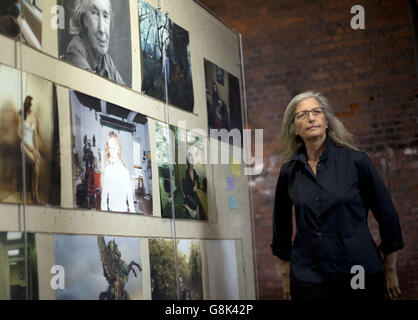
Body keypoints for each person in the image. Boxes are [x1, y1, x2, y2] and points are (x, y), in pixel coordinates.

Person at [271, 91, 404, 300]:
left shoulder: (356, 162)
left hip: (356, 270)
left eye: (316, 111)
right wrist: (286, 276)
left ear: (326, 121)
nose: (311, 117)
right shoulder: (290, 172)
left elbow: (387, 215)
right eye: (302, 114)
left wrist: (390, 268)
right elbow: (281, 227)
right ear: (294, 128)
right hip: (309, 276)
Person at [64, 0, 125, 84]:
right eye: (94, 13)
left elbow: (124, 93)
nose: (102, 29)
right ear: (85, 20)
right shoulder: (75, 49)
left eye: (105, 16)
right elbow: (90, 91)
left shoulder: (107, 60)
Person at [101, 131, 135, 213]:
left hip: (123, 212)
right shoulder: (107, 171)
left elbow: (130, 198)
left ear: (118, 149)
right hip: (111, 212)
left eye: (114, 147)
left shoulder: (125, 172)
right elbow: (104, 196)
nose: (112, 151)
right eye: (110, 148)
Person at [17, 96, 41, 204]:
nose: (32, 107)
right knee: (35, 161)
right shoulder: (21, 116)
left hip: (31, 146)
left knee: (38, 161)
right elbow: (18, 133)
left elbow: (35, 136)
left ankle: (35, 192)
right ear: (27, 105)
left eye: (32, 104)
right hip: (24, 144)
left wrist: (36, 149)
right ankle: (32, 193)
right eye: (30, 104)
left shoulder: (34, 118)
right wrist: (29, 147)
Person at [183, 152, 206, 220]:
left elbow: (196, 181)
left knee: (199, 203)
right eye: (189, 160)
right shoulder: (186, 172)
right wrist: (193, 189)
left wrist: (197, 185)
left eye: (192, 160)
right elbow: (186, 189)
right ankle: (190, 210)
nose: (191, 162)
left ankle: (192, 211)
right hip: (188, 193)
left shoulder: (194, 171)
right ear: (188, 162)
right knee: (197, 204)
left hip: (193, 192)